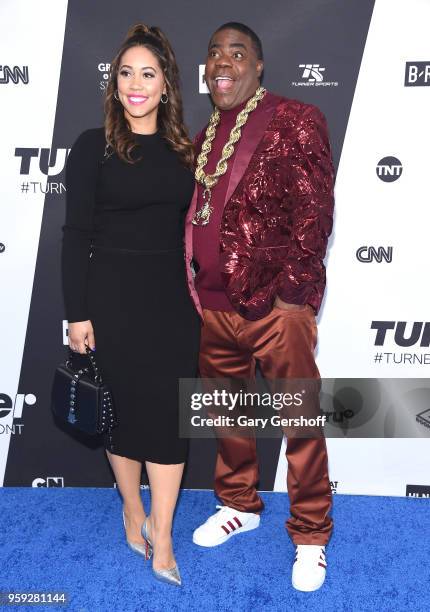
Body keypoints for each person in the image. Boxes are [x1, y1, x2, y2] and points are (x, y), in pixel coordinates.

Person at [186, 22, 335, 592]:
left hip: (276, 308)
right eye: (215, 52)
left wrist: (291, 297)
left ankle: (312, 535)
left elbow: (315, 210)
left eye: (237, 52)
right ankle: (239, 505)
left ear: (259, 66)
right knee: (228, 416)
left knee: (298, 423)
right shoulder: (206, 135)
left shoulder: (294, 118)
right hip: (215, 307)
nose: (223, 61)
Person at [62, 23, 200, 587]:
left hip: (171, 300)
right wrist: (76, 312)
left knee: (169, 421)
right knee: (117, 415)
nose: (136, 84)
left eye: (148, 73)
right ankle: (131, 508)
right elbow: (74, 235)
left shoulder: (189, 151)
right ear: (114, 83)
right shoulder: (91, 147)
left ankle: (163, 534)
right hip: (109, 298)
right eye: (126, 73)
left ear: (166, 84)